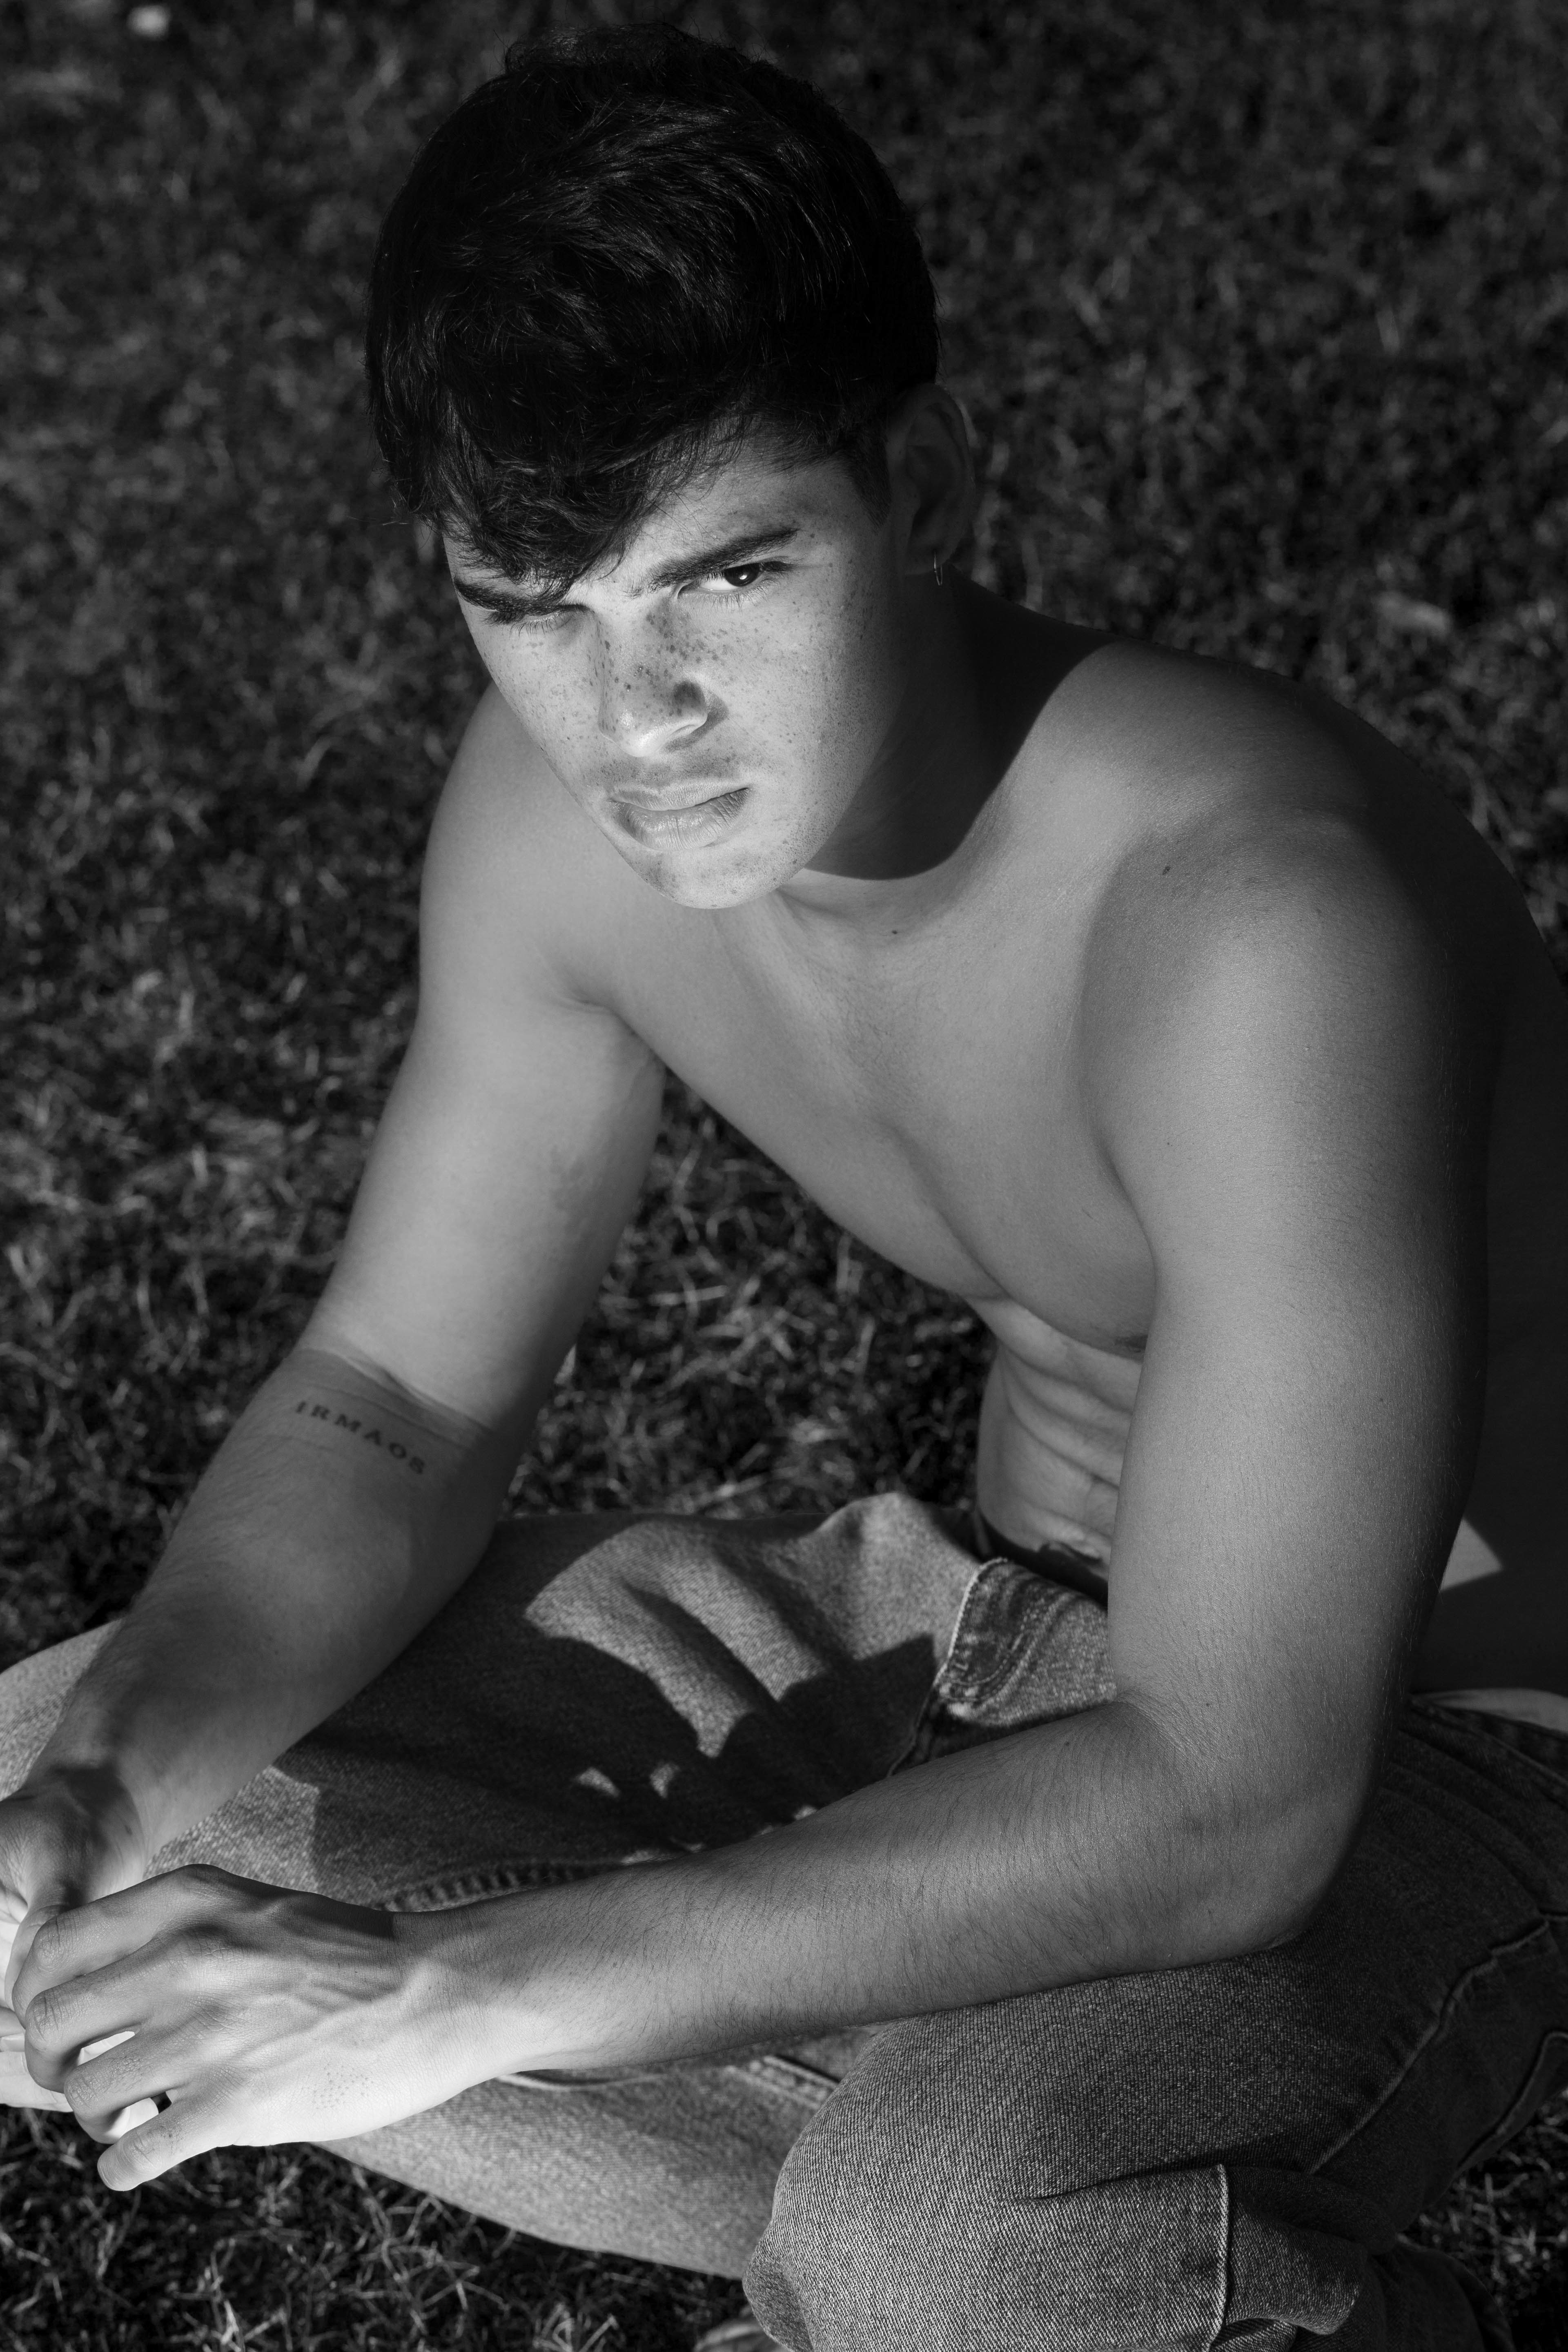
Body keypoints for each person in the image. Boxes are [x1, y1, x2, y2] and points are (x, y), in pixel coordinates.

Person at [3, 24, 1566, 2350]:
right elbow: (402, 1400)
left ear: (921, 488)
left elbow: (1243, 1791)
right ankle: (1014, 2231)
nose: (637, 718)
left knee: (945, 2229)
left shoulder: (1253, 917)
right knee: (47, 1798)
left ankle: (1006, 2241)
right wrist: (107, 1791)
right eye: (535, 605)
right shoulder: (547, 821)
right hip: (968, 1626)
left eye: (725, 577)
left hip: (1428, 1753)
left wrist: (442, 1993)